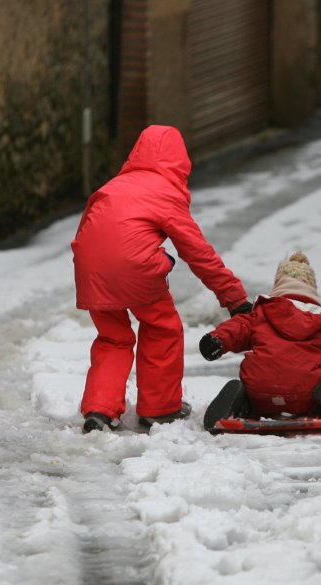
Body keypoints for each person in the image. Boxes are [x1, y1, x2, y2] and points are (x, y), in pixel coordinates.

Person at [72, 125, 252, 433]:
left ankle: (99, 411)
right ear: (179, 162)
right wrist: (234, 299)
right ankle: (160, 408)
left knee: (112, 339)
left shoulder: (113, 186)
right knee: (162, 328)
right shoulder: (164, 192)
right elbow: (198, 253)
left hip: (90, 269)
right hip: (134, 270)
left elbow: (89, 231)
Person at [198, 251, 321, 432]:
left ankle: (240, 402)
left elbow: (236, 328)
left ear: (279, 284)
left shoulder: (259, 314)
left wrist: (217, 340)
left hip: (260, 391)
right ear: (311, 287)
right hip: (305, 394)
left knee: (251, 390)